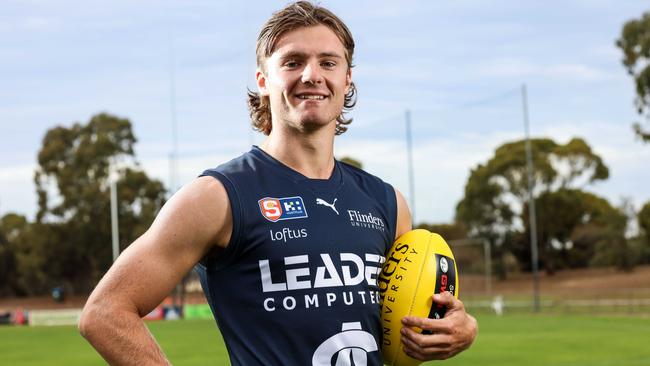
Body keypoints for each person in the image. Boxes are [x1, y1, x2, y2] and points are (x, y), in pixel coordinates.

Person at [79, 2, 477, 365]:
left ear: (347, 79)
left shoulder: (387, 202)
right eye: (292, 62)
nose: (312, 75)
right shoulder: (218, 197)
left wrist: (460, 329)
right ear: (263, 80)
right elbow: (105, 312)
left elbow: (406, 320)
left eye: (328, 62)